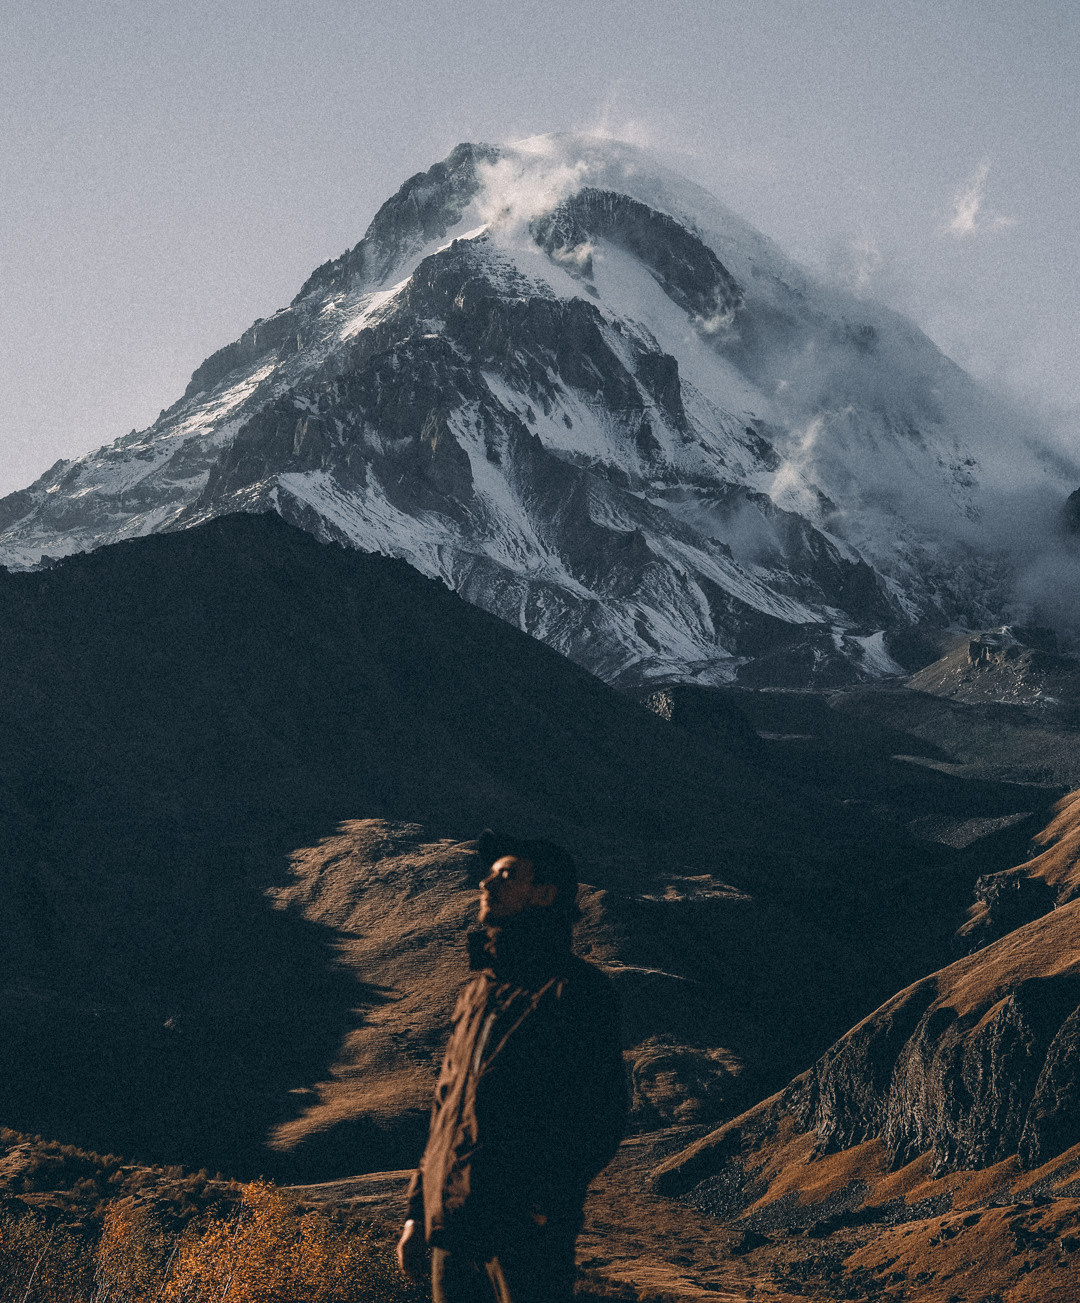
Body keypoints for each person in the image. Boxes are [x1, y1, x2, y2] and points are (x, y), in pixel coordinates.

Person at [396, 830, 627, 1303]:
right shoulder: (475, 993)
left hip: (523, 1236)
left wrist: (539, 1205)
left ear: (545, 895)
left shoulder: (575, 992)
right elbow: (446, 1111)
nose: (486, 883)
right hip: (453, 1226)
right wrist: (418, 1213)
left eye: (506, 876)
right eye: (491, 874)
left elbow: (601, 1114)